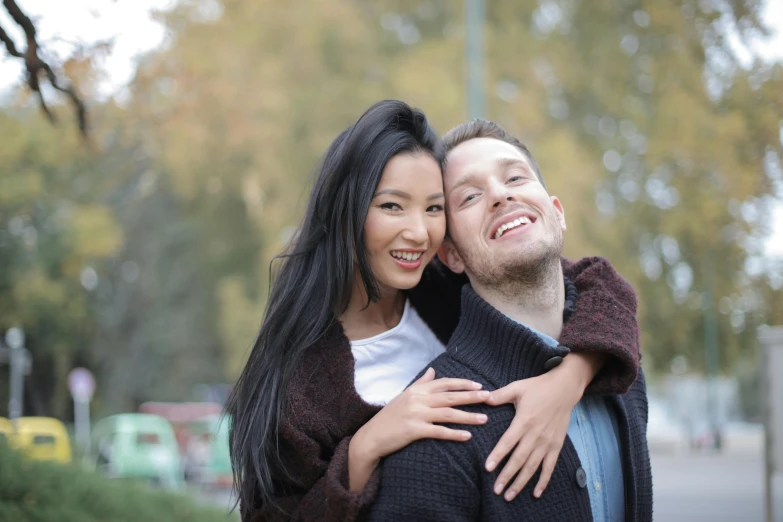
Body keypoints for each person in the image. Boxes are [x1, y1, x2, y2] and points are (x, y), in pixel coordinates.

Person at [226, 101, 642, 522]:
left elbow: (601, 288)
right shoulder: (300, 384)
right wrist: (365, 447)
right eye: (392, 206)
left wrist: (567, 382)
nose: (419, 232)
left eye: (434, 208)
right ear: (345, 212)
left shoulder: (449, 286)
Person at [368, 120, 652, 522]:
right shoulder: (438, 426)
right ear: (452, 256)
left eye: (515, 177)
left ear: (557, 212)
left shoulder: (620, 369)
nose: (501, 195)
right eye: (469, 196)